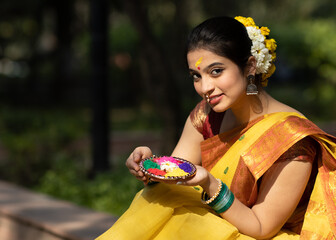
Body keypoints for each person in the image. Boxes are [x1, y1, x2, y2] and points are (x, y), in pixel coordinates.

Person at [96, 16, 336, 239]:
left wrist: (210, 183)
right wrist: (149, 169)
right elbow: (173, 180)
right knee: (159, 197)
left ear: (250, 66)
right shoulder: (206, 114)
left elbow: (261, 228)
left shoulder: (292, 138)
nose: (205, 87)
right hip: (215, 227)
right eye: (196, 76)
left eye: (216, 71)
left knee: (188, 222)